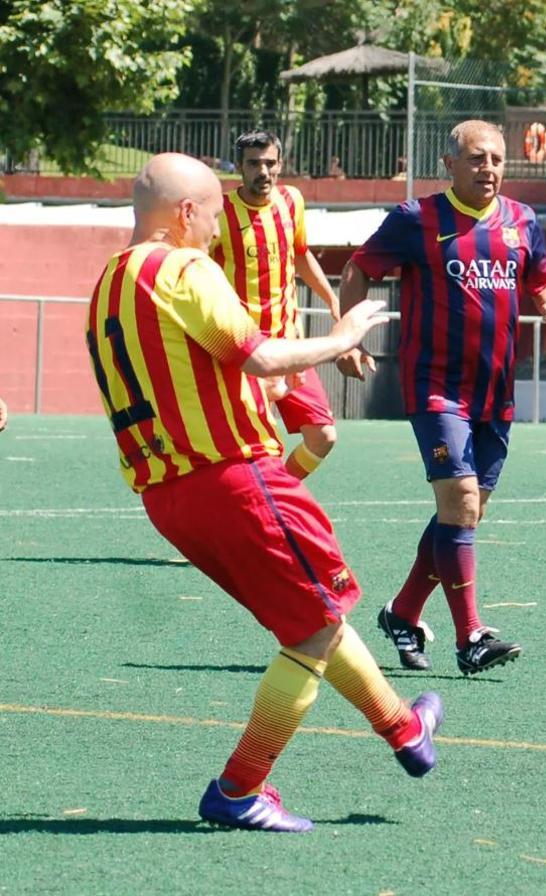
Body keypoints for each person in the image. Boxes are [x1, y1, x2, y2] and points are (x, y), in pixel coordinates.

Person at [85, 152, 444, 833]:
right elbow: (258, 354)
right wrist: (337, 338)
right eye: (215, 216)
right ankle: (240, 787)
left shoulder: (107, 283)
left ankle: (404, 730)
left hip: (168, 497)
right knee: (311, 629)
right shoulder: (186, 267)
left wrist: (255, 387)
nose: (219, 231)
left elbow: (182, 375)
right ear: (187, 214)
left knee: (311, 616)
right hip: (235, 478)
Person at [336, 119, 546, 676]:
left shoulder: (522, 220)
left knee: (464, 513)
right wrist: (349, 339)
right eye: (475, 159)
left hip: (496, 391)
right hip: (435, 388)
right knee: (461, 504)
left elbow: (544, 277)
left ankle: (402, 612)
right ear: (449, 165)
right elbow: (358, 269)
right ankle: (471, 637)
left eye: (495, 159)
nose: (487, 168)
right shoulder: (416, 219)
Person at [211, 131, 341, 481]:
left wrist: (332, 299)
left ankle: (280, 490)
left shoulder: (291, 201)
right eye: (254, 163)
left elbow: (299, 255)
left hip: (291, 345)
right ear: (239, 167)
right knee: (260, 445)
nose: (263, 171)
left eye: (270, 163)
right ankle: (264, 504)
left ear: (280, 164)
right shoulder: (219, 213)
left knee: (323, 435)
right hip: (244, 350)